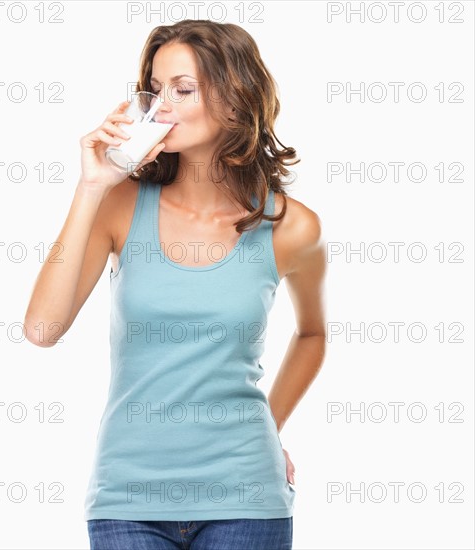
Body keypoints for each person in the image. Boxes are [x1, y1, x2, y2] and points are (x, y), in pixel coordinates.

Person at [24, 19, 326, 550]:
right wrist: (90, 187)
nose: (161, 105)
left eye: (182, 90)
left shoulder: (292, 226)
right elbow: (43, 329)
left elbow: (312, 335)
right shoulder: (119, 205)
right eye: (154, 89)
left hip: (245, 498)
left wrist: (269, 430)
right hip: (127, 500)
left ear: (236, 97)